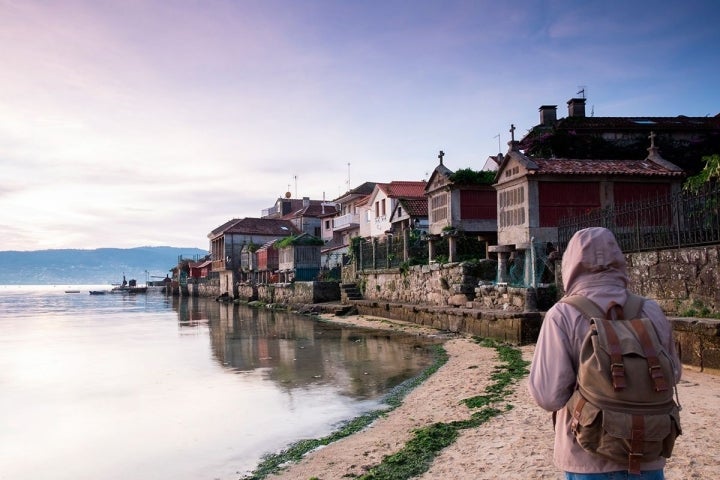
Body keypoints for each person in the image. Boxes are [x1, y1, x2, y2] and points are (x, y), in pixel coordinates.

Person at [528, 227, 682, 480]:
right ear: (618, 259)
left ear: (571, 263)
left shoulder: (563, 314)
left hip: (586, 453)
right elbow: (672, 374)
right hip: (649, 449)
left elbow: (548, 396)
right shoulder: (650, 310)